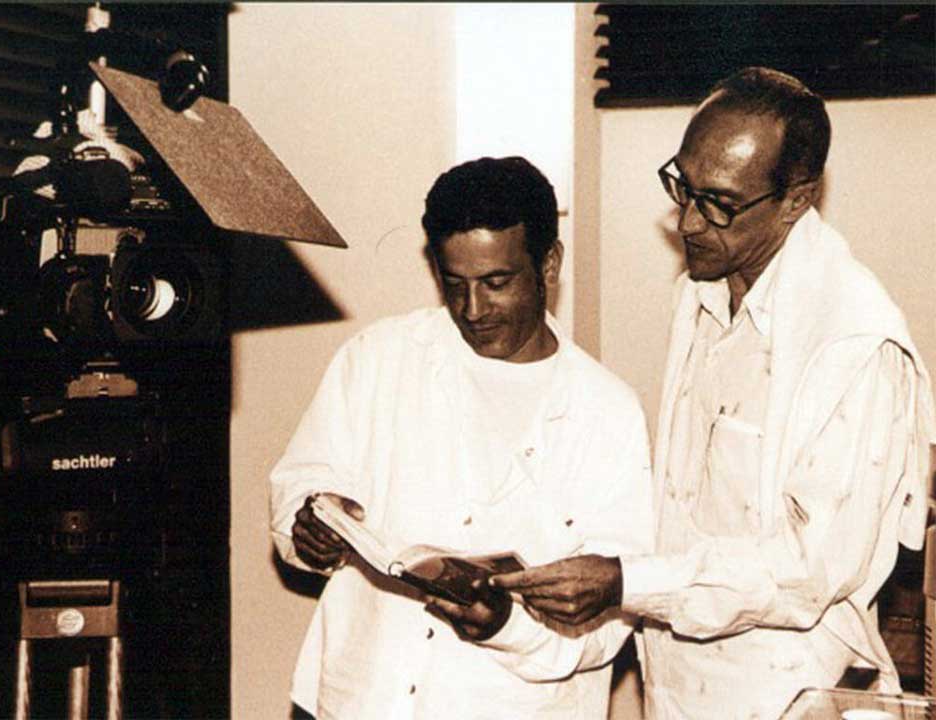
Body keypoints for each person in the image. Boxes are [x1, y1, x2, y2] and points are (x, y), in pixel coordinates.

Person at [492, 67, 936, 719]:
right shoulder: (703, 286)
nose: (689, 223)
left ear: (795, 200)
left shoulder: (854, 344)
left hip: (789, 695)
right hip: (675, 687)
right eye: (683, 188)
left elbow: (808, 570)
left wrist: (627, 581)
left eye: (719, 203)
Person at [270, 156, 654, 719]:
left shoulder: (608, 412)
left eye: (497, 283)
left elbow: (612, 612)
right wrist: (308, 526)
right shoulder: (380, 357)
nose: (473, 310)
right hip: (361, 697)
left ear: (549, 264)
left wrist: (508, 627)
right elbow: (301, 481)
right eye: (455, 284)